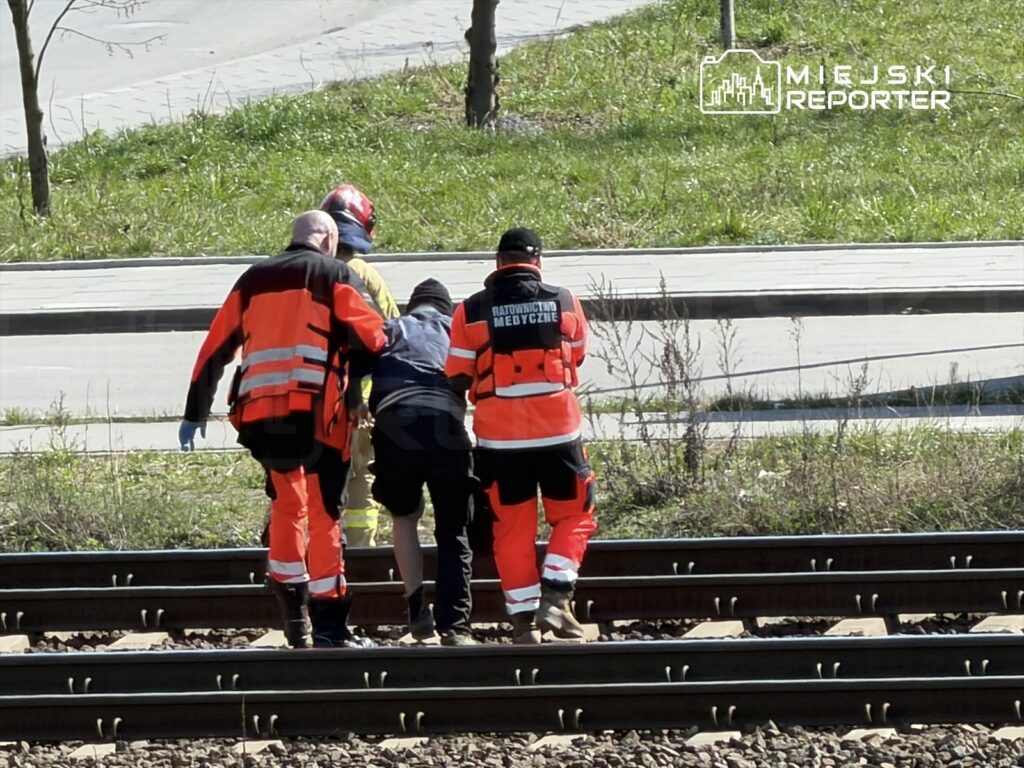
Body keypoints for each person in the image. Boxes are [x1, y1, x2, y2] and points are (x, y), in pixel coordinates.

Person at [177, 210, 386, 649]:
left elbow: (215, 346)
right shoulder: (334, 274)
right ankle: (330, 626)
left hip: (261, 420)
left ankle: (295, 616)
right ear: (328, 240)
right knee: (327, 514)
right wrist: (352, 366)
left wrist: (195, 411)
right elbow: (376, 338)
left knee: (289, 506)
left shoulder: (253, 279)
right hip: (318, 417)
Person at [445, 227, 597, 644]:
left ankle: (523, 623)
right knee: (575, 515)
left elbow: (456, 374)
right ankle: (557, 593)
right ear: (538, 262)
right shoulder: (565, 300)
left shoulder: (470, 310)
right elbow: (578, 352)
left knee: (511, 530)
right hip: (559, 433)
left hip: (499, 441)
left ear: (498, 263)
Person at [357, 278, 476, 647]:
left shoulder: (392, 328)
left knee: (404, 516)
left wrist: (355, 402)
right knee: (453, 527)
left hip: (395, 427)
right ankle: (455, 627)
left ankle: (416, 610)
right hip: (444, 428)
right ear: (446, 309)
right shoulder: (455, 328)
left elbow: (358, 360)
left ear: (413, 307)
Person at [319, 183, 400, 548]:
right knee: (359, 483)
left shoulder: (306, 270)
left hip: (311, 399)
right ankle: (359, 556)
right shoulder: (366, 275)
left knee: (304, 479)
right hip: (361, 405)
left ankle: (307, 559)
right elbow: (393, 332)